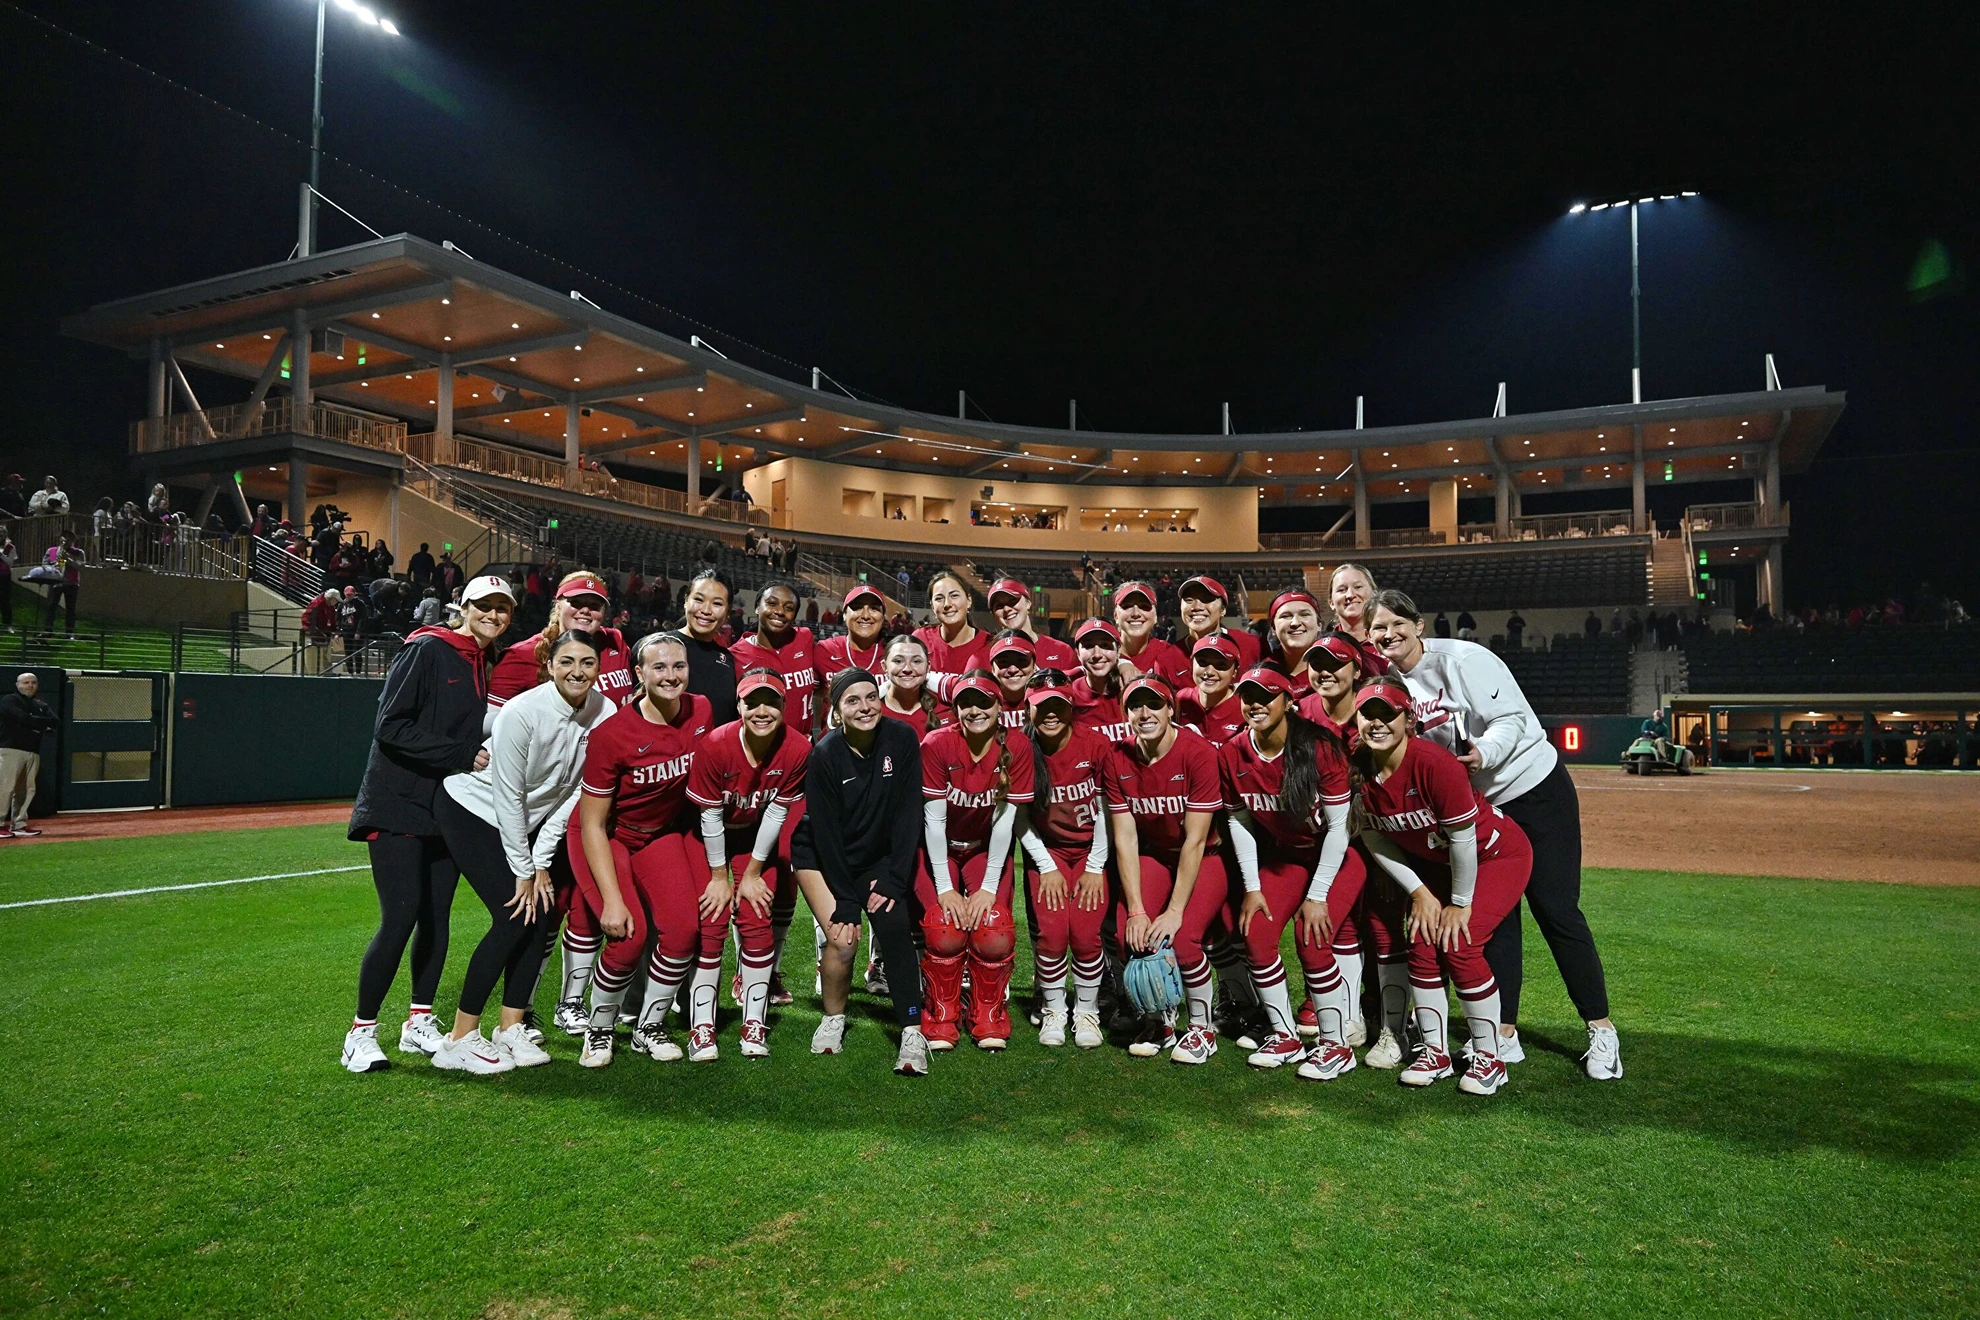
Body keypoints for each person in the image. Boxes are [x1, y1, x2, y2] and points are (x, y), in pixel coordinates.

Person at [1368, 589, 1622, 1080]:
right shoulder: (1388, 683)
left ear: (1418, 624)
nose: (1388, 634)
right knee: (1498, 921)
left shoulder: (1466, 659)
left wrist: (1482, 754)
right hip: (1481, 807)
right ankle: (1504, 1035)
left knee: (1557, 909)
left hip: (1534, 787)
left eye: (1397, 623)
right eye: (1379, 628)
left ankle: (1601, 1029)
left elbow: (1513, 720)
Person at [339, 574, 511, 1075]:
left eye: (503, 608)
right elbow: (390, 726)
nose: (493, 615)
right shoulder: (429, 648)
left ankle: (417, 1022)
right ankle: (361, 1033)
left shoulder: (482, 659)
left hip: (443, 807)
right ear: (463, 605)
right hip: (397, 802)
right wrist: (463, 755)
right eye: (485, 605)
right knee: (402, 915)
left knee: (437, 916)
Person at [431, 628, 609, 1074]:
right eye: (567, 661)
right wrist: (524, 868)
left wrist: (542, 861)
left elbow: (577, 794)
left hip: (526, 825)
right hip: (471, 809)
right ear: (549, 665)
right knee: (514, 914)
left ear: (599, 668)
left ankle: (509, 1027)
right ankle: (459, 1039)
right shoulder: (522, 711)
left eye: (587, 662)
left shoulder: (604, 712)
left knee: (543, 913)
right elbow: (508, 796)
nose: (577, 671)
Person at [1350, 677, 1532, 1096]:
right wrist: (1420, 893)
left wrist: (1461, 904)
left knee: (1460, 942)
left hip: (1494, 856)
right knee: (1420, 938)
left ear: (1408, 718)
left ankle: (1491, 1057)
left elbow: (1465, 839)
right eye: (1367, 714)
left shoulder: (1434, 764)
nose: (1377, 723)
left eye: (1388, 714)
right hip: (1439, 863)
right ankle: (1436, 1051)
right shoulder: (1359, 764)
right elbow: (1374, 834)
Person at [569, 631, 715, 1067]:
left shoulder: (701, 709)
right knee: (626, 935)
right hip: (606, 835)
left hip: (659, 833)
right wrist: (612, 900)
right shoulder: (612, 734)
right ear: (638, 673)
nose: (671, 676)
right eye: (659, 667)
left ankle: (648, 1026)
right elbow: (593, 823)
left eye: (678, 666)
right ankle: (598, 1029)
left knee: (683, 931)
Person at [1219, 665, 1366, 1078]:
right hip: (1285, 859)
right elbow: (1239, 821)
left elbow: (1339, 828)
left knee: (1312, 940)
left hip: (1334, 858)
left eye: (1267, 695)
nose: (1256, 704)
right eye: (1249, 696)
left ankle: (1336, 1044)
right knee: (1258, 933)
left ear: (1289, 701)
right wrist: (1252, 887)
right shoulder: (1232, 753)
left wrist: (1318, 896)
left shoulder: (1320, 747)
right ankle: (1284, 1034)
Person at [792, 669, 931, 1075]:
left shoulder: (902, 739)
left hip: (876, 859)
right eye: (852, 701)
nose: (865, 707)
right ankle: (833, 1018)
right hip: (820, 857)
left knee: (893, 925)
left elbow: (908, 813)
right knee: (843, 939)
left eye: (871, 697)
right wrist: (848, 902)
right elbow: (826, 835)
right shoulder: (824, 754)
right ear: (836, 711)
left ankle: (911, 1029)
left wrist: (893, 878)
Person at [1104, 674, 1230, 1063]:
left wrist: (1173, 912)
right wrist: (1139, 909)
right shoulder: (1117, 757)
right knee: (1134, 931)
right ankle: (1157, 1019)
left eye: (1154, 704)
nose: (1145, 713)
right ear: (1125, 713)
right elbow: (1125, 838)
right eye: (1135, 705)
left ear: (1171, 708)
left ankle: (1200, 1027)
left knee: (1186, 936)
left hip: (1204, 856)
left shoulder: (1198, 752)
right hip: (1155, 855)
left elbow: (1195, 839)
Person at [689, 668, 810, 1059]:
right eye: (751, 701)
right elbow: (708, 816)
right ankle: (701, 1027)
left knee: (757, 915)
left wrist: (753, 872)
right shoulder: (715, 745)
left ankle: (753, 1023)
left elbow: (776, 812)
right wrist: (719, 876)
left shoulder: (797, 748)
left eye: (771, 702)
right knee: (712, 918)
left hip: (751, 837)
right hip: (706, 838)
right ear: (738, 705)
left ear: (784, 705)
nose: (761, 710)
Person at [916, 670, 1034, 1051]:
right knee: (944, 928)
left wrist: (986, 888)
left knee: (994, 930)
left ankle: (987, 1012)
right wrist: (946, 888)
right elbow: (933, 820)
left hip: (984, 848)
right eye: (966, 702)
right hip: (940, 847)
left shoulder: (1016, 746)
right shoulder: (937, 743)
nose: (974, 709)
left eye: (984, 701)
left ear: (1000, 707)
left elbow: (1004, 821)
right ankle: (942, 1013)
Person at [1017, 679, 1112, 1048]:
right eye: (1042, 706)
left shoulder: (1095, 744)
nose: (1051, 713)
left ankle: (1087, 1010)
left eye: (1059, 705)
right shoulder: (1023, 748)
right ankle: (1056, 1008)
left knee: (1086, 935)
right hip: (1049, 850)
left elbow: (1108, 811)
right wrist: (1045, 865)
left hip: (1091, 849)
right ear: (1029, 708)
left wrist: (1096, 865)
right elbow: (1019, 817)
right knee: (1054, 934)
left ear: (1072, 707)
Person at [730, 581, 821, 730]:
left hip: (804, 746)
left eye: (789, 608)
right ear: (757, 607)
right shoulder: (736, 655)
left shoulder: (804, 638)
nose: (780, 611)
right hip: (760, 749)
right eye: (772, 603)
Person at [914, 571, 990, 701]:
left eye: (954, 596)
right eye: (939, 598)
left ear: (969, 601)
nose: (947, 604)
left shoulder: (989, 644)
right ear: (932, 607)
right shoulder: (920, 639)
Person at [1, 672, 59, 839]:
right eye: (26, 682)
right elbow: (22, 717)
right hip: (10, 749)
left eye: (33, 682)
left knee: (26, 790)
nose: (30, 685)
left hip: (32, 751)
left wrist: (32, 722)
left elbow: (55, 721)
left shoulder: (40, 704)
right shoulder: (9, 700)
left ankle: (19, 825)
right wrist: (39, 723)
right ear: (18, 685)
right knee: (4, 788)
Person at [678, 569, 739, 727]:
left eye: (717, 603)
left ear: (727, 612)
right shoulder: (654, 648)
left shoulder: (728, 659)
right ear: (685, 600)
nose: (706, 610)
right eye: (699, 600)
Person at [987, 578, 1078, 671]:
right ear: (993, 614)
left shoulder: (1060, 650)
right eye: (999, 606)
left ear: (1028, 603)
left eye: (1012, 601)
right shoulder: (985, 655)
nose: (1006, 609)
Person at [815, 585, 889, 699]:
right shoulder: (825, 650)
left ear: (883, 617)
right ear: (844, 615)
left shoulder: (894, 654)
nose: (865, 615)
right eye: (857, 607)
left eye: (874, 608)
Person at [1176, 575, 1264, 669]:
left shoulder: (1252, 646)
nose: (1197, 607)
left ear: (1223, 610)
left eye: (1207, 599)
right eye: (1189, 600)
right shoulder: (1169, 656)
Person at [1111, 581, 1188, 686]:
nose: (1136, 613)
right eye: (1127, 606)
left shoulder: (1169, 654)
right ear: (1116, 616)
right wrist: (1119, 662)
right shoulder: (1100, 654)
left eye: (1144, 606)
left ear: (1155, 616)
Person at [1176, 634, 1247, 746]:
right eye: (1202, 662)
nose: (1209, 672)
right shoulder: (1181, 700)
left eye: (1221, 664)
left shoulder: (1245, 707)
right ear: (1192, 664)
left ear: (1235, 672)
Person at [1068, 617, 1130, 744]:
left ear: (1118, 651)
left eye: (1105, 645)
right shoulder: (1068, 695)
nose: (1097, 654)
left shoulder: (1133, 687)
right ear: (1078, 653)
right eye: (1088, 646)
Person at [877, 632, 948, 739]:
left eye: (916, 661)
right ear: (884, 666)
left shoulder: (945, 708)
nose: (907, 669)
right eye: (898, 661)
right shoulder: (873, 713)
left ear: (928, 667)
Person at [1325, 563, 1391, 676]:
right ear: (1331, 602)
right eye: (1342, 590)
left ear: (1374, 594)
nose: (1350, 595)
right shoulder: (1324, 648)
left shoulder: (1393, 639)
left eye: (1358, 587)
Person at [1264, 588, 1330, 699]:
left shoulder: (1336, 669)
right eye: (1286, 616)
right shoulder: (1264, 674)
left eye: (1304, 614)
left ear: (1319, 624)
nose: (1295, 623)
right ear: (1273, 628)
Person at [986, 631, 1037, 729]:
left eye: (1021, 661)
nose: (1012, 670)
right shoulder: (981, 704)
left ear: (1034, 665)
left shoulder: (1046, 701)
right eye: (1003, 662)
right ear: (992, 668)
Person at [40, 534, 82, 635]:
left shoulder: (79, 552)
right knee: (51, 607)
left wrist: (68, 559)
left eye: (70, 538)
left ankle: (69, 633)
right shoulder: (51, 550)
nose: (66, 540)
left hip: (71, 583)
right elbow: (44, 564)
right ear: (60, 539)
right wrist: (57, 563)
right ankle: (48, 630)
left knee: (70, 609)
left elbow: (80, 566)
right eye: (65, 537)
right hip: (55, 582)